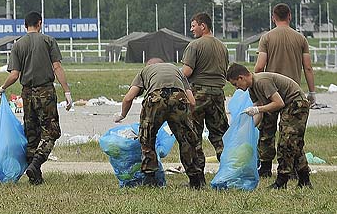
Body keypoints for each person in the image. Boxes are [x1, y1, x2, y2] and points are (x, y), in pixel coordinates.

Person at [0, 11, 73, 185]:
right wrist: (67, 92)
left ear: (25, 25)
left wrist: (2, 88)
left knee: (32, 134)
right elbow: (57, 67)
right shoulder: (48, 41)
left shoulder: (18, 45)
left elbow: (14, 75)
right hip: (45, 92)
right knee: (52, 131)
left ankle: (35, 176)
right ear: (40, 23)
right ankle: (36, 163)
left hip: (27, 93)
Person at [114, 58, 205, 188]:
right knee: (187, 141)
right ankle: (195, 181)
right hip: (179, 97)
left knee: (148, 139)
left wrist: (122, 115)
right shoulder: (177, 71)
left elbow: (129, 97)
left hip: (155, 99)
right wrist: (184, 119)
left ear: (149, 65)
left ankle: (151, 180)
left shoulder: (145, 71)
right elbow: (192, 101)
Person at [253, 3, 316, 177]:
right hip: (292, 92)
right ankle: (295, 167)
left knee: (267, 130)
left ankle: (265, 167)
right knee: (291, 133)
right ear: (289, 16)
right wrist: (312, 92)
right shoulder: (300, 38)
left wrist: (257, 85)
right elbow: (308, 68)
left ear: (273, 17)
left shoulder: (266, 38)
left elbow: (259, 67)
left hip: (270, 91)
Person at [226, 64, 312, 189]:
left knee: (287, 143)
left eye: (235, 84)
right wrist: (247, 129)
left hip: (296, 104)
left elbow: (278, 103)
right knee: (295, 144)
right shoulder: (252, 88)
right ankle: (304, 180)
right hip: (288, 106)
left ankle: (282, 180)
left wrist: (257, 109)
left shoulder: (262, 81)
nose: (236, 88)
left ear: (241, 78)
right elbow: (258, 113)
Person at [181, 12, 229, 161]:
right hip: (218, 94)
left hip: (198, 94)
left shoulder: (194, 45)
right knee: (219, 133)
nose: (191, 29)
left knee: (194, 132)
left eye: (193, 26)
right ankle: (228, 165)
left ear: (203, 26)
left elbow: (186, 72)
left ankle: (197, 176)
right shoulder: (223, 46)